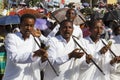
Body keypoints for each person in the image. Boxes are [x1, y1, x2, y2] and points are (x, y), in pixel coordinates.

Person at [2, 14, 48, 80]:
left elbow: (38, 66)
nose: (28, 28)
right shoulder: (11, 37)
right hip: (14, 77)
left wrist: (43, 60)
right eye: (26, 25)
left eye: (31, 26)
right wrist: (35, 54)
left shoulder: (36, 40)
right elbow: (14, 57)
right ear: (20, 25)